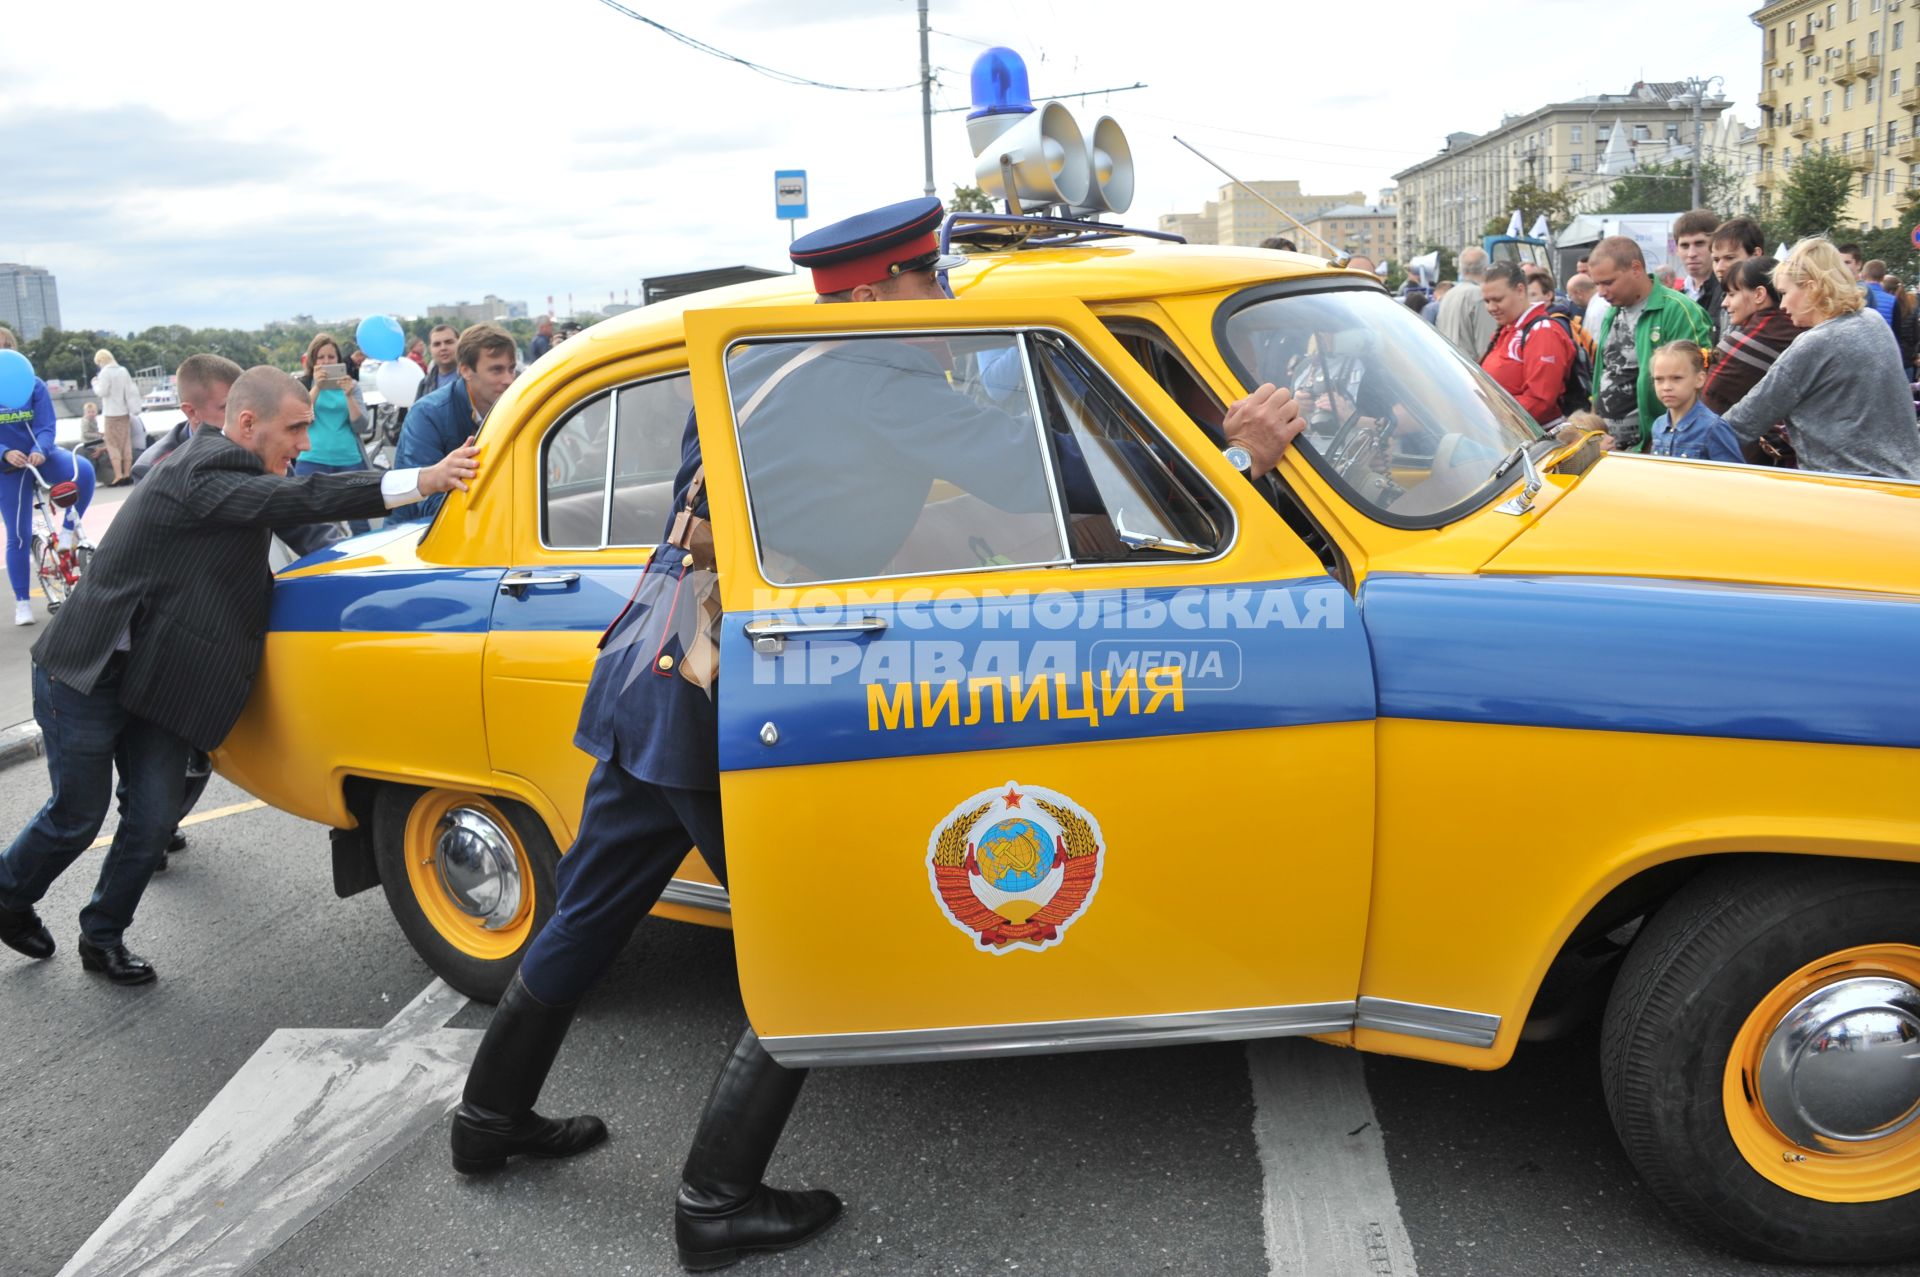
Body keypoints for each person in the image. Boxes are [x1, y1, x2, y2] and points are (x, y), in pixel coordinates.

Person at [445, 196, 1309, 1273]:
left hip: (656, 657)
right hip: (725, 685)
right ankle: (714, 1199)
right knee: (817, 933)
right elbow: (1067, 495)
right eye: (927, 277)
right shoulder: (886, 373)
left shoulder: (762, 361)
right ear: (873, 293)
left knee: (589, 905)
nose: (941, 295)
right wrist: (1237, 464)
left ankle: (486, 1124)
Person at [0, 367, 480, 983]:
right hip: (86, 672)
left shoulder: (246, 474)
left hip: (156, 680)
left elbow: (306, 521)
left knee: (150, 822)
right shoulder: (204, 469)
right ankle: (10, 896)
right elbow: (303, 498)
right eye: (296, 427)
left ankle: (102, 937)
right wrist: (426, 480)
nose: (305, 443)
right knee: (77, 816)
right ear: (246, 424)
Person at [1723, 238, 1920, 480]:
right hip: (1906, 484)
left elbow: (1742, 422)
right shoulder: (1873, 321)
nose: (1782, 305)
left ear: (1812, 287)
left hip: (1843, 491)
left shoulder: (1815, 344)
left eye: (1784, 293)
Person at [0, 329, 96, 626]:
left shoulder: (35, 385)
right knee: (18, 535)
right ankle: (23, 602)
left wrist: (40, 449)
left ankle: (67, 536)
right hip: (7, 467)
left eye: (7, 346)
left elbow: (45, 424)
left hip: (41, 456)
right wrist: (4, 453)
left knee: (83, 471)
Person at [1587, 236, 1714, 452]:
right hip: (1610, 448)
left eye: (1608, 282)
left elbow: (1697, 382)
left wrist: (1661, 443)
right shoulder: (1611, 313)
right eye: (1597, 284)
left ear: (1636, 268)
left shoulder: (1678, 310)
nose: (1601, 292)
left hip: (1654, 449)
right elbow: (1604, 374)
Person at [390, 322, 518, 523]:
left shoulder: (512, 407)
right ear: (466, 371)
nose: (509, 380)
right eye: (496, 370)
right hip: (416, 535)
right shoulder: (426, 414)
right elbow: (428, 502)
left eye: (511, 369)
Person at [295, 333, 374, 535]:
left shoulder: (351, 386)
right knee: (310, 522)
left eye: (331, 357)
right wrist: (317, 388)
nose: (326, 362)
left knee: (358, 519)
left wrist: (348, 396)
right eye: (321, 357)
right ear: (313, 361)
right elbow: (299, 417)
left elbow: (362, 425)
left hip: (348, 457)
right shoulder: (303, 384)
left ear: (339, 360)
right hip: (312, 457)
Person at [1703, 256, 1800, 419]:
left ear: (1759, 294)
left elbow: (1707, 402)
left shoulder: (1744, 343)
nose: (1724, 303)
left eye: (1732, 294)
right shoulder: (1797, 326)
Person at [1479, 261, 1576, 425]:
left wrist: (1490, 419)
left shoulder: (1543, 332)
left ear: (1520, 290)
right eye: (1487, 301)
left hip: (1531, 435)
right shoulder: (1507, 329)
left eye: (1498, 299)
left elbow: (1540, 401)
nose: (1491, 307)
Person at [1647, 341, 1743, 463]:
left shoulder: (1713, 428)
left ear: (1699, 379)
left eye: (1676, 378)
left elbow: (1735, 477)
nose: (1666, 387)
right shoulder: (1658, 426)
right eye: (1659, 379)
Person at [1708, 217, 1765, 341]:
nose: (1719, 268)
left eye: (1729, 258)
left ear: (1756, 255)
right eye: (1716, 260)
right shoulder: (1720, 296)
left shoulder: (1773, 303)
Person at [91, 349, 142, 486]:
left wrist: (95, 383)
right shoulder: (123, 370)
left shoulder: (105, 372)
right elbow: (130, 391)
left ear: (101, 360)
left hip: (111, 414)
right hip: (124, 413)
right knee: (126, 444)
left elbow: (102, 391)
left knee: (112, 444)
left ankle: (118, 475)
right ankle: (127, 473)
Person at [1436, 246, 1495, 360]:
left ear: (1461, 268)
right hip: (1470, 369)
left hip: (1449, 365)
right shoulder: (1479, 295)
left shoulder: (1448, 295)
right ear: (1486, 268)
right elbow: (1486, 346)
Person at [1672, 209, 1721, 315]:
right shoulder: (1675, 296)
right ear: (1677, 250)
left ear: (1716, 245)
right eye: (1684, 246)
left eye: (1699, 244)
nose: (1691, 254)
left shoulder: (1728, 293)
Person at [418, 323, 462, 398]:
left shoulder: (474, 378)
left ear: (460, 344)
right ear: (430, 349)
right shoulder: (424, 385)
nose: (443, 348)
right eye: (437, 344)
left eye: (449, 342)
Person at [1861, 259, 1899, 329]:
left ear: (1863, 274)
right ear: (1883, 277)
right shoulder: (1893, 300)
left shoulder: (1856, 297)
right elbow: (1896, 331)